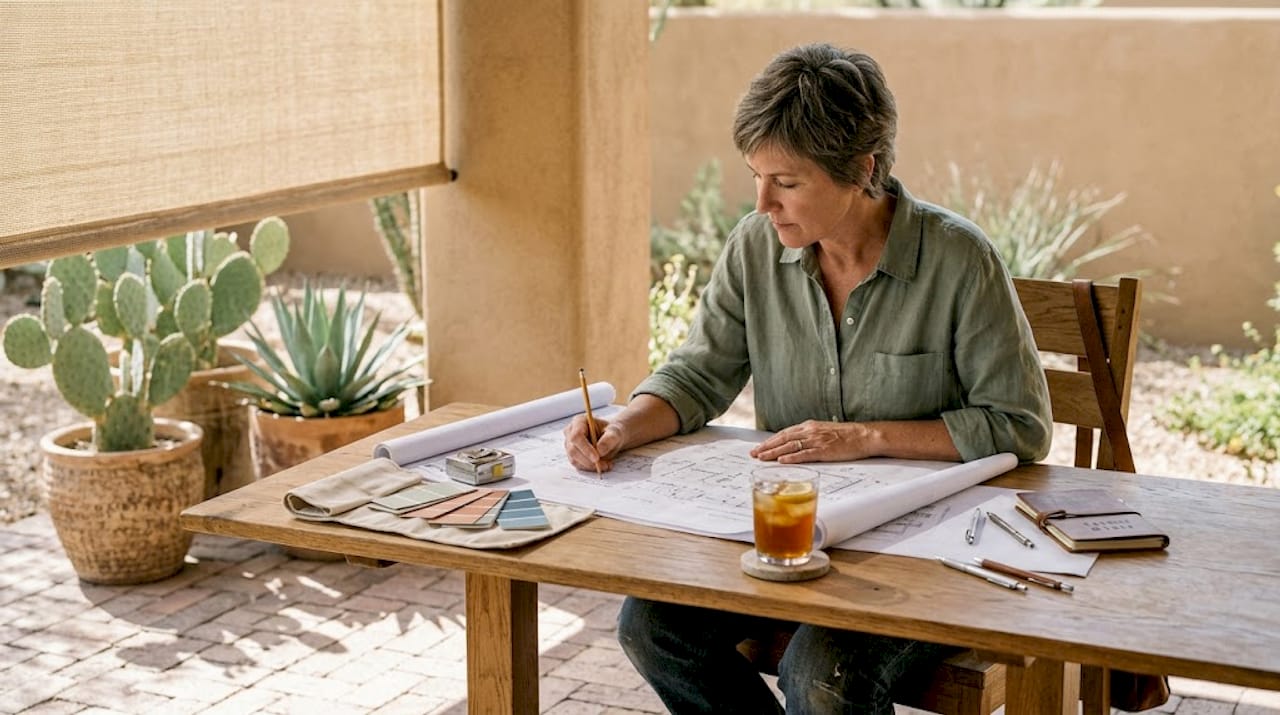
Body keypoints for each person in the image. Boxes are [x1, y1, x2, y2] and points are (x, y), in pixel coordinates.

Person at [563, 43, 1051, 714]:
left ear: (861, 170)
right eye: (756, 175)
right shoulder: (755, 248)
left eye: (786, 182)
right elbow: (699, 373)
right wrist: (621, 425)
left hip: (922, 547)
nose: (762, 201)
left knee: (822, 674)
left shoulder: (959, 260)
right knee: (651, 628)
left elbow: (1019, 424)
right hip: (785, 533)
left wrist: (867, 437)